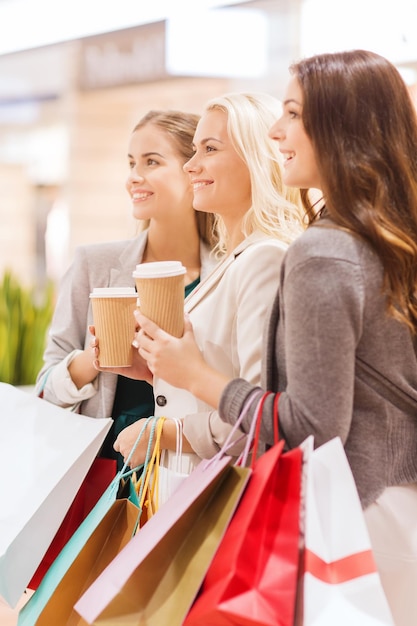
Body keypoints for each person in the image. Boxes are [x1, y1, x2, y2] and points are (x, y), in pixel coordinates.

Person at [135, 51, 417, 624]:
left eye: (292, 113)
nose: (276, 131)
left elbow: (312, 425)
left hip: (350, 524)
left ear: (340, 127)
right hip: (395, 512)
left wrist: (199, 378)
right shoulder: (387, 239)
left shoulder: (324, 250)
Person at [111, 91, 305, 497]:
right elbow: (217, 378)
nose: (191, 165)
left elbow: (262, 416)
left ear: (255, 158)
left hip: (220, 497)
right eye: (194, 149)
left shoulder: (265, 259)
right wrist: (154, 369)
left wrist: (164, 433)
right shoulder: (236, 258)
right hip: (193, 488)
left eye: (210, 149)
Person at [36, 109, 219, 470]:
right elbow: (45, 388)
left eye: (152, 162)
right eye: (132, 163)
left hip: (189, 475)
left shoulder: (227, 272)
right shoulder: (95, 265)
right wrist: (91, 360)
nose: (134, 177)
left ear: (192, 169)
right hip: (104, 477)